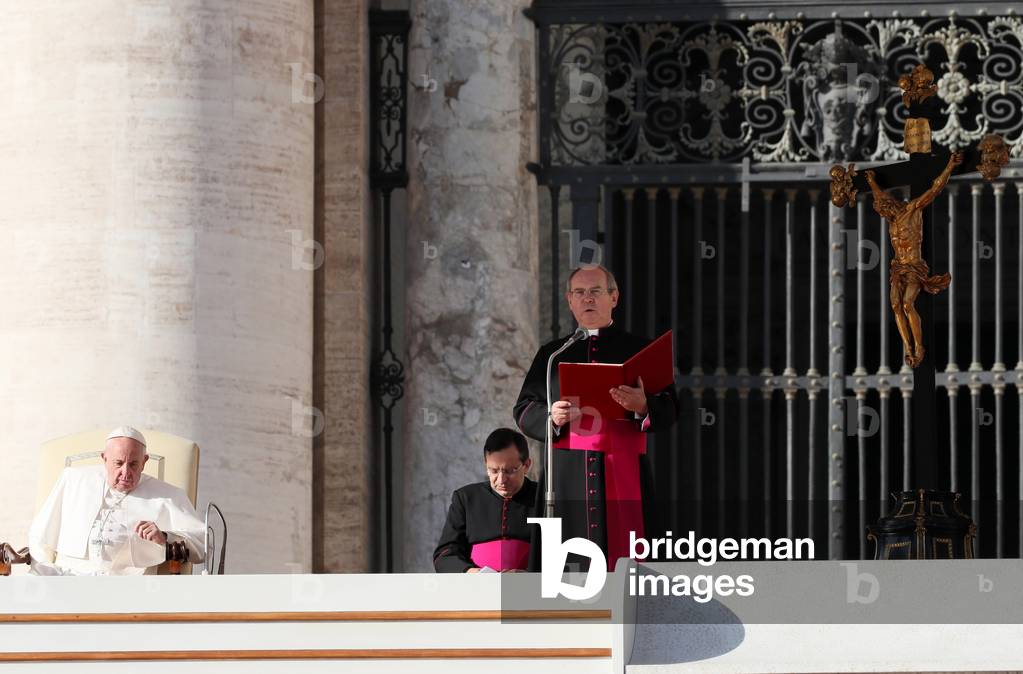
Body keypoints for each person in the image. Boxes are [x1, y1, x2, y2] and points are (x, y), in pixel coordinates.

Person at [514, 264, 679, 568]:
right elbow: (524, 409)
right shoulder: (553, 354)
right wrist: (552, 415)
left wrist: (643, 405)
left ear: (613, 297)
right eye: (580, 293)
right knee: (566, 562)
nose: (587, 299)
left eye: (595, 292)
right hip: (567, 473)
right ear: (569, 300)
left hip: (622, 467)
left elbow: (670, 409)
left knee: (627, 563)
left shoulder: (640, 349)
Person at [28, 426, 206, 575]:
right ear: (104, 459)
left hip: (129, 590)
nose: (126, 472)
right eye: (118, 463)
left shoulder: (168, 496)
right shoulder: (73, 480)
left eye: (134, 464)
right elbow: (39, 537)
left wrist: (165, 537)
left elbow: (202, 545)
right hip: (67, 580)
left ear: (144, 462)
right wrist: (45, 577)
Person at [433, 428, 538, 573]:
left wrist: (530, 575)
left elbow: (564, 553)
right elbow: (444, 555)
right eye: (494, 471)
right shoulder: (466, 498)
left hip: (531, 590)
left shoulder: (544, 498)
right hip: (476, 590)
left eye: (509, 471)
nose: (501, 480)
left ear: (526, 465)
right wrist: (472, 573)